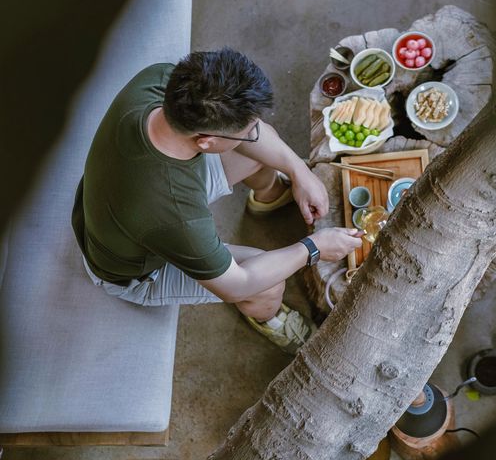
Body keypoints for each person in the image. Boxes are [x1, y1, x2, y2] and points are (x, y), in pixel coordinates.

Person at [71, 48, 362, 353]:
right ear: (205, 141)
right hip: (133, 271)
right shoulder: (175, 214)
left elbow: (261, 136)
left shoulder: (161, 82)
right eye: (248, 130)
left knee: (261, 150)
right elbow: (237, 283)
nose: (255, 132)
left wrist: (298, 170)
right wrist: (314, 248)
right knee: (266, 282)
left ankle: (270, 196)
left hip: (127, 199)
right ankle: (271, 318)